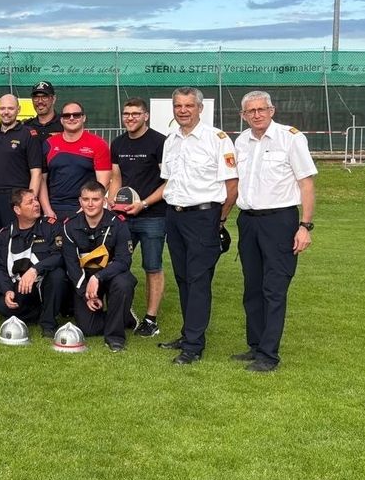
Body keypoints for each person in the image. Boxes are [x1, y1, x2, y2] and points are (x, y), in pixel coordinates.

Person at [232, 90, 317, 372]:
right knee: (252, 287)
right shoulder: (241, 141)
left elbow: (306, 184)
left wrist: (305, 226)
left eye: (261, 109)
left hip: (280, 221)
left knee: (274, 289)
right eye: (250, 111)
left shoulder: (291, 138)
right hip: (248, 221)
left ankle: (269, 355)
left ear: (272, 110)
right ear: (243, 115)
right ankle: (255, 346)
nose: (256, 115)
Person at [157, 87, 238, 365]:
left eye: (189, 105)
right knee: (183, 278)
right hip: (175, 216)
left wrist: (221, 220)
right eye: (178, 105)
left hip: (204, 217)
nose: (183, 110)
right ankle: (188, 333)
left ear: (200, 108)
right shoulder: (171, 140)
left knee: (199, 280)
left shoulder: (217, 139)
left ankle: (193, 346)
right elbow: (168, 181)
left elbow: (232, 186)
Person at [109, 97, 168, 337]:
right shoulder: (118, 143)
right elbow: (116, 177)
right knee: (116, 264)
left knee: (152, 267)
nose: (130, 118)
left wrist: (143, 204)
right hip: (124, 218)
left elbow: (168, 182)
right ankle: (120, 311)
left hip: (153, 216)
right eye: (126, 114)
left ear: (146, 116)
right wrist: (113, 204)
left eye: (135, 113)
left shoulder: (159, 142)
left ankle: (150, 319)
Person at [62, 181, 137, 351]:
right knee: (88, 329)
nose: (90, 204)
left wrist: (98, 277)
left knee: (124, 283)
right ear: (80, 201)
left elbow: (124, 261)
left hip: (111, 276)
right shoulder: (69, 226)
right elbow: (71, 265)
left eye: (95, 199)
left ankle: (115, 337)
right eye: (86, 199)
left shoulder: (118, 223)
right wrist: (85, 294)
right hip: (84, 278)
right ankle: (123, 317)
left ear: (104, 201)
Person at [0, 188, 64, 338]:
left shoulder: (51, 226)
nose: (36, 204)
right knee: (3, 306)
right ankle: (37, 313)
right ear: (17, 209)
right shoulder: (5, 234)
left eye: (36, 200)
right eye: (30, 202)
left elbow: (59, 256)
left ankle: (48, 323)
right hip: (20, 285)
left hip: (44, 282)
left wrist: (35, 270)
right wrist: (7, 290)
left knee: (58, 275)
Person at [39, 102, 111, 222]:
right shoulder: (49, 144)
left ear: (84, 118)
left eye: (76, 115)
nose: (71, 118)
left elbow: (103, 183)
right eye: (67, 115)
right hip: (54, 209)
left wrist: (86, 207)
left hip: (84, 210)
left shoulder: (98, 144)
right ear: (61, 120)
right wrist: (47, 210)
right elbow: (41, 180)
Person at [0, 94, 44, 233]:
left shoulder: (28, 134)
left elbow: (36, 172)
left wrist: (29, 201)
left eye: (10, 108)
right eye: (2, 108)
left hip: (16, 198)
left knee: (16, 240)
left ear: (18, 109)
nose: (6, 112)